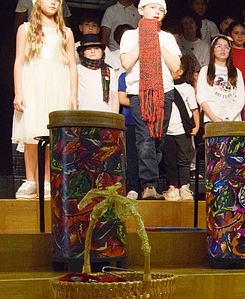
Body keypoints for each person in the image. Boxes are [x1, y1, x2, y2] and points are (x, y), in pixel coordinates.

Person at [12, 0, 77, 201]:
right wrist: (18, 92)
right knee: (32, 129)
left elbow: (72, 65)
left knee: (52, 133)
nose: (53, 2)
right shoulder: (25, 29)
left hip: (58, 83)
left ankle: (47, 180)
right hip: (34, 82)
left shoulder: (65, 32)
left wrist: (73, 94)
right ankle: (30, 180)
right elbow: (19, 61)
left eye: (57, 0)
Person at [119, 0, 182, 201]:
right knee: (144, 136)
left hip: (165, 91)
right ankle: (149, 185)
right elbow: (126, 62)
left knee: (158, 139)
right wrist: (145, 39)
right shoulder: (130, 35)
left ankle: (147, 181)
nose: (157, 12)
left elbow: (175, 65)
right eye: (153, 7)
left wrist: (157, 42)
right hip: (140, 91)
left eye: (161, 10)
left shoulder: (167, 37)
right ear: (141, 9)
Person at [163, 54, 199, 201]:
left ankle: (185, 186)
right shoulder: (164, 87)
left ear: (181, 71)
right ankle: (173, 187)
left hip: (182, 130)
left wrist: (197, 126)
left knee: (184, 159)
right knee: (170, 159)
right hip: (167, 130)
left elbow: (194, 109)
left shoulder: (187, 88)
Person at [115, 25, 140, 199]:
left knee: (147, 155)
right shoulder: (124, 76)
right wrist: (141, 103)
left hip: (148, 120)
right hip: (130, 120)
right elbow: (122, 99)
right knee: (131, 156)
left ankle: (147, 186)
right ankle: (132, 187)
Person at [196, 35, 245, 123]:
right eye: (219, 46)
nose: (223, 49)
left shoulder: (237, 72)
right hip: (212, 119)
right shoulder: (205, 70)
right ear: (213, 50)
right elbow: (200, 96)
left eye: (226, 47)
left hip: (233, 121)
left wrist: (228, 118)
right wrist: (213, 117)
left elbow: (240, 99)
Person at [76, 34, 119, 113]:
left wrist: (114, 116)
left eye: (96, 48)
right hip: (82, 114)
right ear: (83, 52)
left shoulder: (109, 71)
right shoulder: (77, 70)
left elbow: (114, 96)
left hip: (105, 115)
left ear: (102, 52)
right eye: (89, 49)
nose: (93, 51)